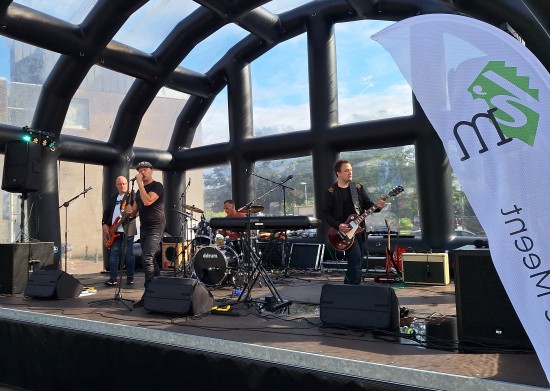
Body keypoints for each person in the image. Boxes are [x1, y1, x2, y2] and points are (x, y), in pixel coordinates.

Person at [323, 160, 385, 285]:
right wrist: (338, 225)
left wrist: (378, 206)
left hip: (358, 231)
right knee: (356, 260)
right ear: (338, 173)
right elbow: (326, 213)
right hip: (343, 232)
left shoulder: (357, 187)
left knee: (357, 261)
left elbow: (368, 205)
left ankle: (349, 287)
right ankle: (353, 289)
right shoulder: (331, 191)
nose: (350, 172)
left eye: (351, 169)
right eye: (346, 170)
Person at [126, 161, 165, 308]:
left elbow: (148, 201)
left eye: (145, 170)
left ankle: (148, 292)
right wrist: (130, 211)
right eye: (140, 170)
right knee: (151, 258)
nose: (142, 172)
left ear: (151, 171)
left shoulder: (157, 186)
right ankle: (159, 286)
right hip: (144, 227)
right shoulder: (137, 192)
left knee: (146, 258)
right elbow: (134, 213)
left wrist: (140, 184)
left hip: (156, 225)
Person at [101, 176, 136, 286]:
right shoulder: (113, 197)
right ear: (116, 185)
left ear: (127, 184)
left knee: (129, 253)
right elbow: (107, 212)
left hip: (128, 229)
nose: (122, 185)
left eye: (124, 183)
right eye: (120, 184)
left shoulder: (132, 196)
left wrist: (130, 214)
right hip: (114, 230)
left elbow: (136, 210)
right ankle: (113, 278)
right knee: (114, 253)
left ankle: (130, 277)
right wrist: (105, 224)